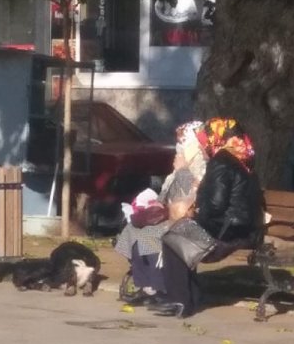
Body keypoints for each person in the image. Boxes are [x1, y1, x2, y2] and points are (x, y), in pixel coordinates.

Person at [156, 117, 264, 317]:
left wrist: (197, 210)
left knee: (172, 239)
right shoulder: (243, 157)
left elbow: (215, 205)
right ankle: (193, 295)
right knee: (182, 232)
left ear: (216, 138)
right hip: (245, 229)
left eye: (205, 140)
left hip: (226, 232)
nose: (203, 145)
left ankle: (179, 300)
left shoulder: (221, 161)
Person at [113, 121, 208, 304]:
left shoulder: (203, 166)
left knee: (150, 235)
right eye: (178, 143)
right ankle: (146, 284)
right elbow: (166, 195)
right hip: (171, 216)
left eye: (183, 142)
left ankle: (160, 286)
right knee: (133, 230)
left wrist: (182, 171)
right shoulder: (182, 165)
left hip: (189, 221)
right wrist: (155, 202)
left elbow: (192, 197)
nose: (179, 147)